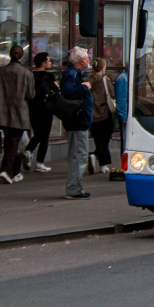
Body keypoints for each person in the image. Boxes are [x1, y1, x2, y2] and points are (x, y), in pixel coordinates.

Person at [0, 44, 35, 184]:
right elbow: (31, 94)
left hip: (3, 112)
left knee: (11, 142)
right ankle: (6, 171)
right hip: (19, 113)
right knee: (13, 142)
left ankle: (14, 172)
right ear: (22, 57)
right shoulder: (27, 74)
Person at [60, 46, 94, 199]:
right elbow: (68, 93)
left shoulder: (73, 74)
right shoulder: (72, 75)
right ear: (81, 61)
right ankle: (74, 189)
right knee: (79, 156)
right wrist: (84, 87)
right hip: (77, 121)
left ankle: (76, 188)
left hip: (77, 120)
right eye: (87, 58)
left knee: (78, 155)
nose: (88, 60)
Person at [24, 52, 57, 173]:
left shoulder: (30, 76)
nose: (50, 63)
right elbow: (55, 90)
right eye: (49, 61)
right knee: (44, 136)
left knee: (37, 133)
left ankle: (28, 151)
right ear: (43, 64)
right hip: (46, 108)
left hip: (33, 108)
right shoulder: (48, 76)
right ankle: (39, 162)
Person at [86, 57, 116, 174]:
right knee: (105, 139)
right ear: (103, 67)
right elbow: (112, 94)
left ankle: (102, 163)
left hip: (92, 115)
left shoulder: (88, 80)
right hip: (104, 113)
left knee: (98, 140)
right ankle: (97, 157)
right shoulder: (105, 80)